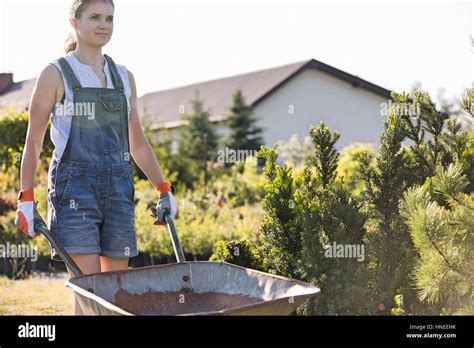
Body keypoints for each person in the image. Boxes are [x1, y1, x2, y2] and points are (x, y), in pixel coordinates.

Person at [15, 0, 177, 315]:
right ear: (74, 22)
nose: (103, 25)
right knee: (90, 295)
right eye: (94, 17)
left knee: (116, 296)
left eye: (109, 18)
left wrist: (163, 188)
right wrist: (26, 198)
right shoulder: (55, 74)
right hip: (74, 192)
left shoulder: (123, 76)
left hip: (118, 192)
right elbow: (33, 142)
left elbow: (137, 141)